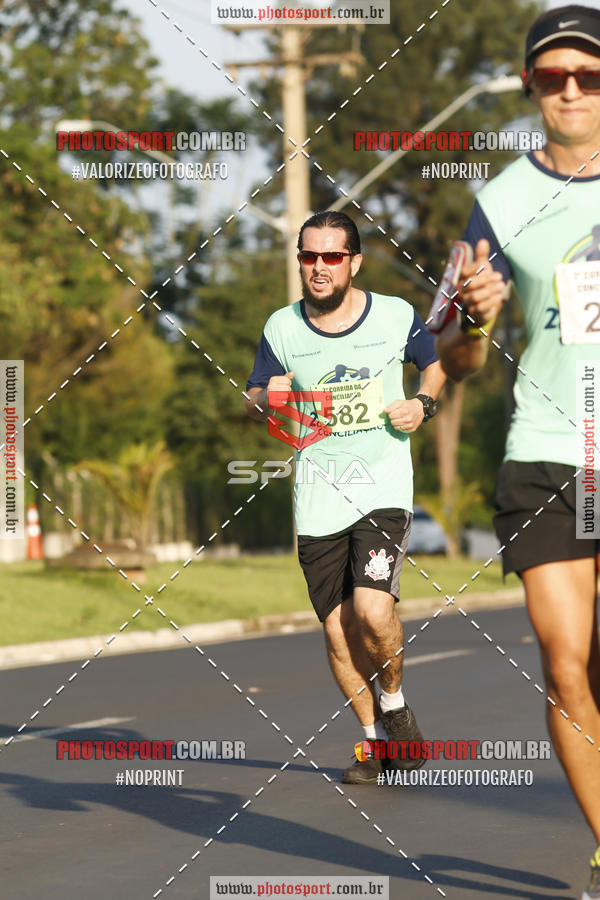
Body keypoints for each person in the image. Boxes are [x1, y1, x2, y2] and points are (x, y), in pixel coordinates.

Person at [434, 6, 600, 897]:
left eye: (589, 75)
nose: (570, 90)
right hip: (547, 447)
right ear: (531, 84)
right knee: (566, 662)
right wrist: (471, 319)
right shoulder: (497, 202)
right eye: (552, 76)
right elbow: (454, 362)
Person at [244, 210, 446, 783]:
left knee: (373, 610)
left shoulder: (395, 316)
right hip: (318, 496)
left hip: (382, 485)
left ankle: (394, 701)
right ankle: (374, 745)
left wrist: (421, 405)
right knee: (337, 631)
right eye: (308, 256)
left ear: (354, 262)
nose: (318, 267)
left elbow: (433, 368)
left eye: (332, 256)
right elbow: (253, 398)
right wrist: (267, 396)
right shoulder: (281, 328)